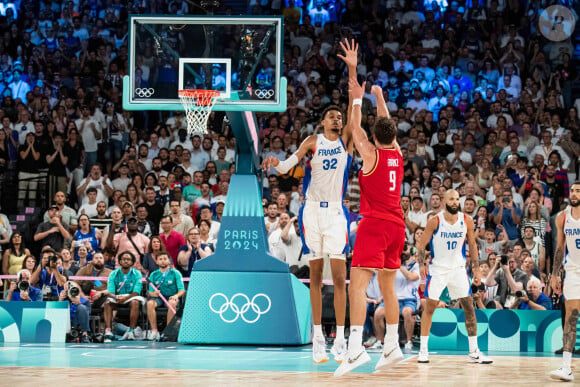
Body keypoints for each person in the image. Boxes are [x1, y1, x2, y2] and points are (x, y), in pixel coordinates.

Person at [263, 40, 357, 364]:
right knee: (316, 277)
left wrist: (352, 69)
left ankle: (341, 339)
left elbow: (353, 104)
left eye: (339, 117)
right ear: (322, 122)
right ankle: (318, 337)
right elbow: (290, 165)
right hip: (312, 212)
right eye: (331, 116)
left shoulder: (346, 141)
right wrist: (275, 162)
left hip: (336, 213)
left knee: (341, 277)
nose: (336, 120)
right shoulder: (312, 141)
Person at [335, 79, 406, 375]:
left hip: (375, 225)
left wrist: (357, 99)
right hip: (397, 227)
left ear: (374, 137)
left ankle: (355, 348)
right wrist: (378, 96)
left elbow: (354, 127)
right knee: (389, 288)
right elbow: (385, 123)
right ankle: (392, 344)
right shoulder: (398, 154)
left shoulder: (371, 154)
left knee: (358, 288)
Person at [416, 190, 492, 364]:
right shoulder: (434, 221)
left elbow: (472, 245)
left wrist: (477, 270)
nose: (455, 202)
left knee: (469, 308)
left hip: (458, 269)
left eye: (457, 199)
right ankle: (423, 351)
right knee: (430, 307)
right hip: (438, 269)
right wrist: (421, 265)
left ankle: (474, 351)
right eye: (451, 199)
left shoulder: (467, 220)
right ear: (444, 201)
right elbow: (421, 245)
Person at [550, 182, 580, 381]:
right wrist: (554, 274)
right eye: (572, 190)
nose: (574, 193)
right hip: (573, 271)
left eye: (578, 191)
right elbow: (560, 247)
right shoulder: (562, 217)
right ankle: (566, 367)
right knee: (571, 316)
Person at [103, 251, 144, 343]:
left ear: (132, 262)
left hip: (131, 297)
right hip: (117, 298)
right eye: (124, 259)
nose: (126, 261)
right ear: (120, 262)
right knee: (107, 303)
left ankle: (131, 331)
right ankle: (108, 331)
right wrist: (116, 297)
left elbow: (136, 292)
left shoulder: (137, 273)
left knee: (135, 303)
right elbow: (110, 292)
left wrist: (125, 298)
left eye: (128, 259)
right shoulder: (113, 274)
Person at [146, 251, 186, 341]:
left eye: (165, 259)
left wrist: (176, 296)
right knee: (149, 304)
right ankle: (154, 331)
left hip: (171, 297)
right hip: (159, 299)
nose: (163, 261)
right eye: (160, 259)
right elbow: (150, 292)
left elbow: (182, 290)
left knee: (172, 303)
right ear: (157, 262)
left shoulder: (176, 273)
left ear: (169, 261)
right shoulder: (153, 274)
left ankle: (168, 331)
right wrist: (154, 293)